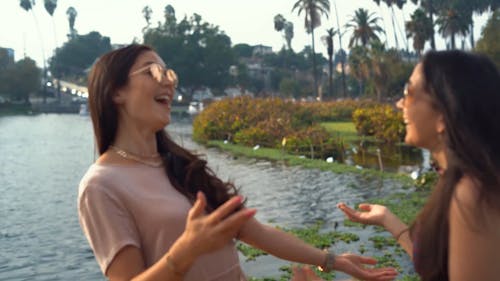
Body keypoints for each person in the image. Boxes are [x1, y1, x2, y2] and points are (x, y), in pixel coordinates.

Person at [78, 44, 398, 281]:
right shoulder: (101, 185)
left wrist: (332, 260)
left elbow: (252, 231)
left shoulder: (178, 164)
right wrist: (184, 252)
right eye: (154, 72)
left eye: (171, 74)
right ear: (116, 92)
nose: (169, 82)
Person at [338, 50, 500, 281]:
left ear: (444, 114)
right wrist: (387, 219)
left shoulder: (472, 195)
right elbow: (440, 266)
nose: (399, 103)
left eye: (409, 92)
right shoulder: (459, 180)